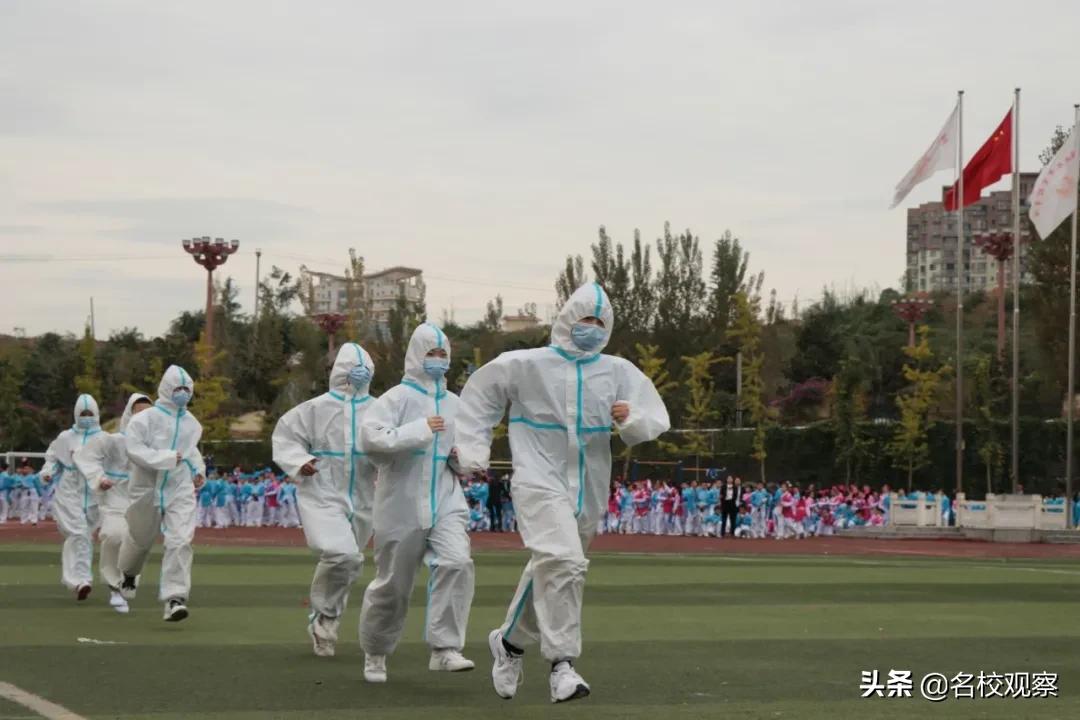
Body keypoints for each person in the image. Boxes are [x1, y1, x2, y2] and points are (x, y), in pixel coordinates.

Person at [455, 282, 670, 704]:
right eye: (584, 319)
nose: (590, 327)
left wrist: (631, 418)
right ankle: (562, 666)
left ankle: (509, 643)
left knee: (554, 566)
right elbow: (479, 397)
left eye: (598, 321)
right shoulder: (524, 364)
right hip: (538, 477)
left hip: (589, 484)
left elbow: (654, 415)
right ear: (567, 319)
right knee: (564, 561)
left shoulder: (618, 370)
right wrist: (474, 449)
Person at [357, 323, 476, 684]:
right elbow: (371, 439)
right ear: (416, 356)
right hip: (400, 502)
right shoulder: (394, 399)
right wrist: (419, 430)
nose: (438, 361)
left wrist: (462, 460)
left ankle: (445, 649)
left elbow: (467, 452)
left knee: (457, 561)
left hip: (445, 497)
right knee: (393, 584)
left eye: (443, 354)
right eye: (431, 353)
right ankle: (376, 651)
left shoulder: (457, 404)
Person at [272, 343, 378, 658]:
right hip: (321, 491)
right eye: (352, 367)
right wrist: (298, 460)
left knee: (349, 561)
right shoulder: (315, 408)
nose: (358, 373)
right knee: (341, 554)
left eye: (365, 368)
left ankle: (324, 620)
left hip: (363, 494)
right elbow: (285, 437)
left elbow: (394, 442)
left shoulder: (381, 408)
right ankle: (325, 617)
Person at [118, 365, 206, 622]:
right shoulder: (143, 420)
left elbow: (191, 452)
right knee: (140, 538)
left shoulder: (192, 424)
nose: (182, 393)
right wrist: (166, 458)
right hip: (146, 488)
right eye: (177, 388)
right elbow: (134, 450)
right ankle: (130, 573)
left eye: (186, 389)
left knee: (180, 540)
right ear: (166, 389)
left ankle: (175, 598)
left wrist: (198, 470)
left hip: (179, 488)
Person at [73, 393, 153, 613]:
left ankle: (127, 580)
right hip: (116, 500)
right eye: (139, 411)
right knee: (114, 535)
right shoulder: (112, 441)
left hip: (142, 503)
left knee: (136, 545)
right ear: (129, 414)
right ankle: (114, 589)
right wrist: (99, 478)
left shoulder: (154, 448)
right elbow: (84, 456)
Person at [41, 394, 104, 601]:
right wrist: (47, 472)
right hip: (70, 490)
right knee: (78, 534)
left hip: (95, 491)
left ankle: (77, 580)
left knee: (84, 536)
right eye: (82, 414)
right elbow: (52, 458)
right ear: (76, 414)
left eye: (89, 413)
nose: (86, 417)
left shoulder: (104, 439)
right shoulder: (65, 437)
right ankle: (81, 580)